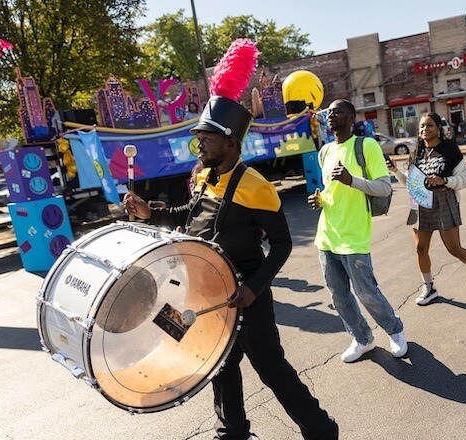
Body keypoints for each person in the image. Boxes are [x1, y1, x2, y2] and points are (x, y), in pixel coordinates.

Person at [125, 95, 338, 440]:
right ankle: (233, 432)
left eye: (206, 138)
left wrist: (253, 288)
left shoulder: (256, 186)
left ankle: (322, 430)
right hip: (209, 295)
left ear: (230, 142)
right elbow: (189, 217)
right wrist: (151, 212)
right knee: (221, 367)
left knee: (272, 370)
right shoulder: (206, 177)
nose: (199, 145)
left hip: (246, 296)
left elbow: (282, 244)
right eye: (198, 137)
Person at [308, 99, 407, 363]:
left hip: (354, 236)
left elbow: (384, 187)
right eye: (329, 112)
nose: (331, 115)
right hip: (327, 235)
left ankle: (395, 330)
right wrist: (319, 200)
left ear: (351, 117)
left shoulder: (366, 145)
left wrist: (352, 180)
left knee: (366, 293)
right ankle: (363, 338)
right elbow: (331, 191)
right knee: (338, 296)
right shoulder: (325, 151)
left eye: (337, 111)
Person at [388, 112, 466, 305]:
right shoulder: (416, 153)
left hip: (444, 200)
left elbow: (463, 180)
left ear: (438, 128)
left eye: (429, 126)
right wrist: (395, 171)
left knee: (453, 248)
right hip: (420, 202)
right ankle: (429, 287)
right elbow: (412, 183)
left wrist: (444, 180)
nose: (425, 130)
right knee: (420, 248)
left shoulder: (450, 150)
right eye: (421, 126)